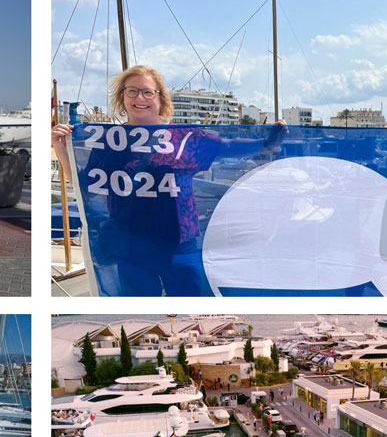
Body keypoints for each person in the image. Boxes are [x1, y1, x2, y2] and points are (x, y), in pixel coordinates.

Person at [51, 64, 285, 295]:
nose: (139, 98)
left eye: (147, 92)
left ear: (160, 98)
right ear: (122, 96)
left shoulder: (182, 138)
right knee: (140, 309)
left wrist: (269, 141)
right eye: (131, 90)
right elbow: (86, 188)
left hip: (180, 244)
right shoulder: (108, 141)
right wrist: (61, 150)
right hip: (131, 246)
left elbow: (227, 147)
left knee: (191, 306)